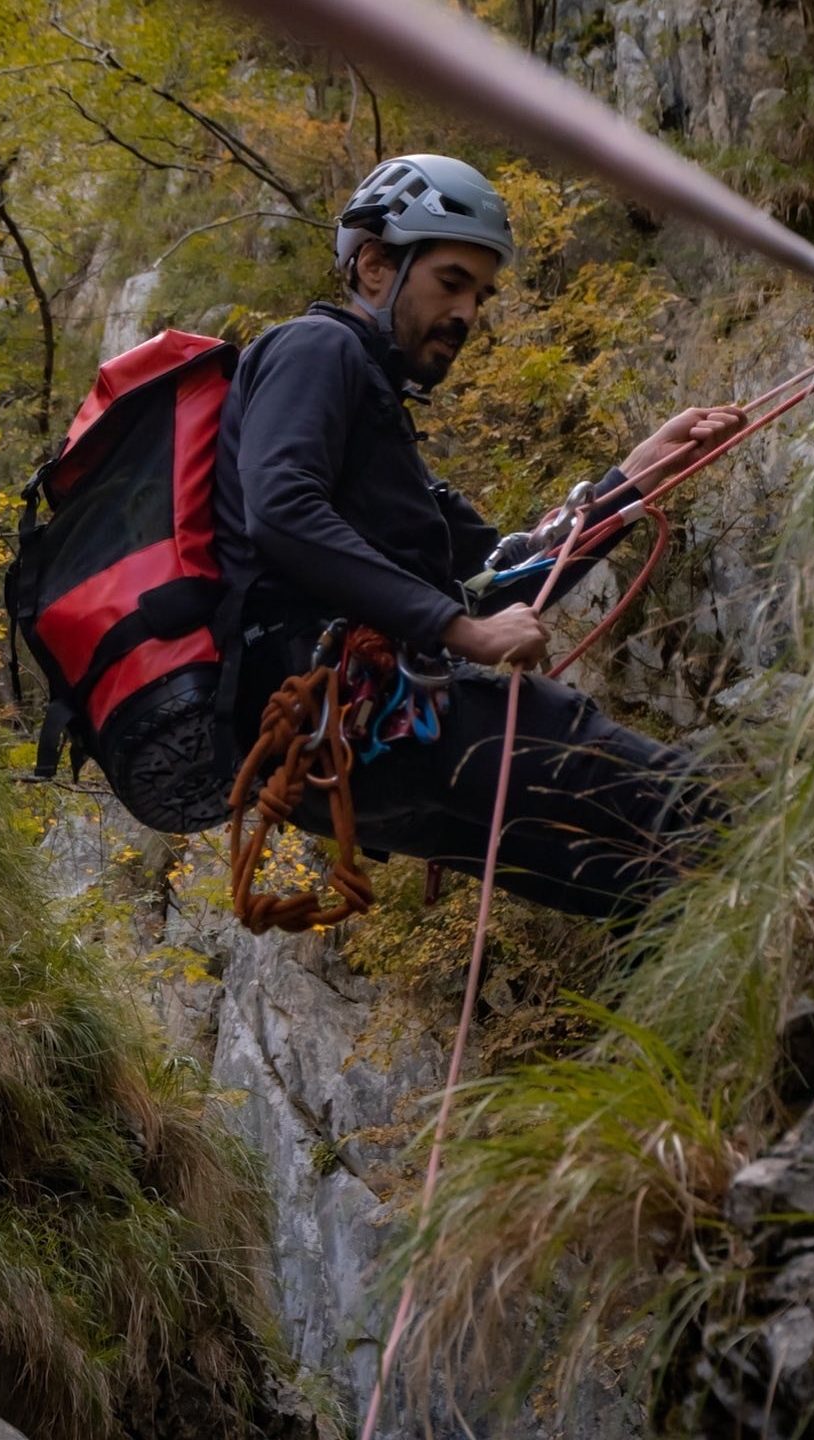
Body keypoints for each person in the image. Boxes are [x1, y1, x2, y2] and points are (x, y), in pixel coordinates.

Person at [213, 154, 744, 920]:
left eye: (481, 294)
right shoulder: (313, 350)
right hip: (357, 713)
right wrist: (461, 632)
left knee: (650, 891)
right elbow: (282, 510)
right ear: (372, 266)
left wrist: (631, 479)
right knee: (696, 808)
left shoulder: (382, 441)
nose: (468, 312)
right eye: (451, 282)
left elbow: (506, 578)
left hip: (367, 757)